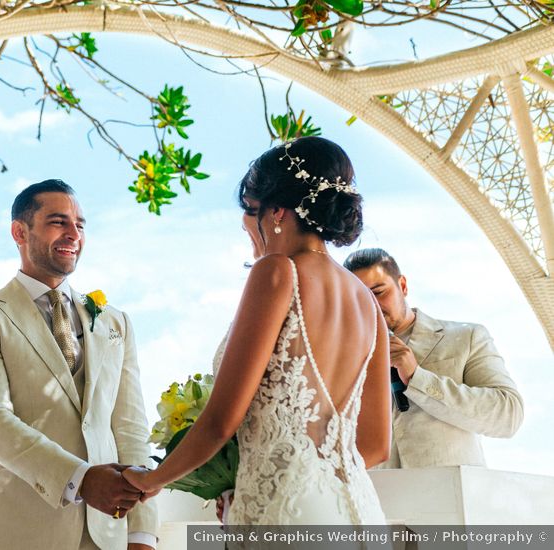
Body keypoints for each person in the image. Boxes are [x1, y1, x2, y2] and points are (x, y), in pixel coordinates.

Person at [123, 136, 392, 524]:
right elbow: (375, 445)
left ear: (277, 212)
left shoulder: (279, 272)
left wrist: (151, 480)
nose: (246, 224)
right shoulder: (367, 304)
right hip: (357, 511)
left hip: (286, 513)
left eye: (250, 210)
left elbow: (220, 421)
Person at [0, 180, 158, 550]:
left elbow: (129, 427)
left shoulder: (115, 322)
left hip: (106, 532)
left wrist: (141, 533)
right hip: (16, 529)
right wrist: (80, 478)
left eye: (80, 224)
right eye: (58, 222)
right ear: (19, 231)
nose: (74, 233)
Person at [344, 248, 524, 468]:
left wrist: (417, 378)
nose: (372, 305)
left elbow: (508, 416)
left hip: (453, 494)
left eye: (379, 292)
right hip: (378, 497)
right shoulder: (341, 357)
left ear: (402, 286)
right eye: (360, 297)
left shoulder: (466, 337)